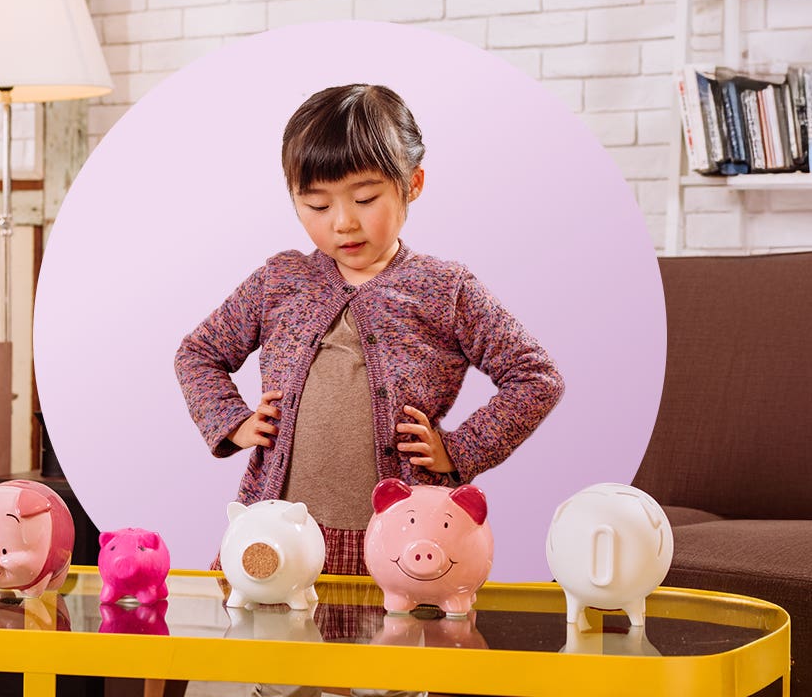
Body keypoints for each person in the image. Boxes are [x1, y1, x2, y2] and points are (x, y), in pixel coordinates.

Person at [174, 84, 564, 696]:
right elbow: (198, 353)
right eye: (317, 204)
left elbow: (535, 377)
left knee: (392, 678)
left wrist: (459, 451)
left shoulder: (446, 288)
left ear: (412, 184)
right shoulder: (281, 278)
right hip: (277, 533)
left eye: (364, 197)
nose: (343, 222)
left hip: (405, 549)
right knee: (269, 674)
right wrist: (231, 419)